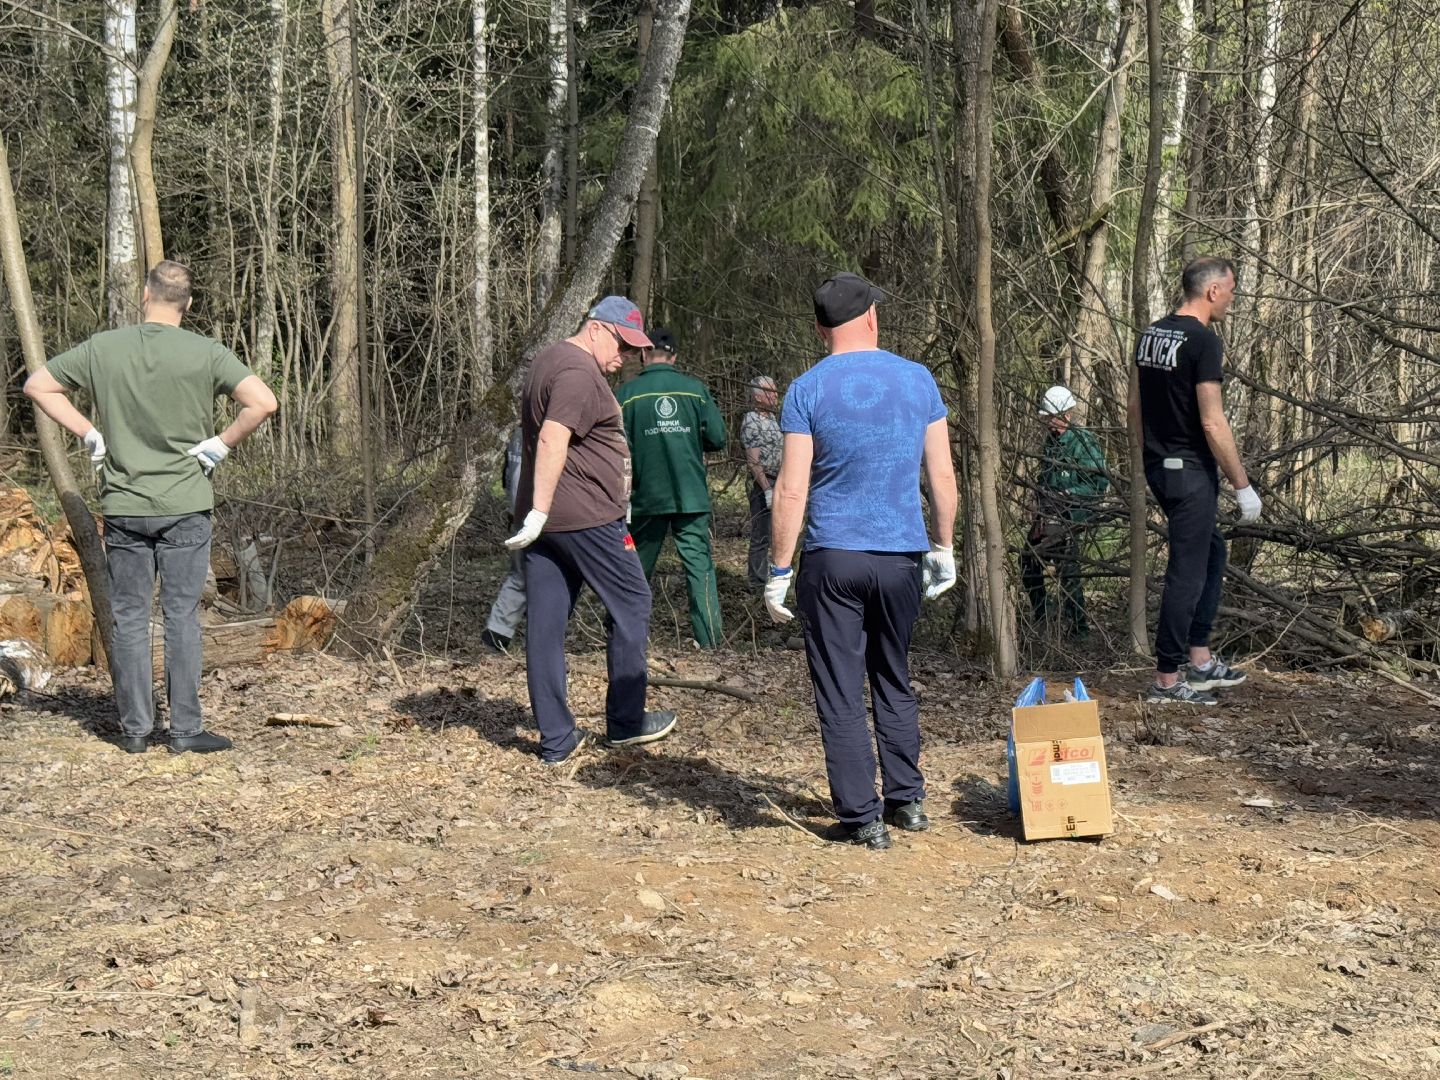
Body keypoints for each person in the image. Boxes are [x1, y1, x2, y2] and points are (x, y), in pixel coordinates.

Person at [23, 260, 278, 754]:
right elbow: (263, 402)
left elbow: (38, 386)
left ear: (145, 295)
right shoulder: (206, 352)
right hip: (185, 504)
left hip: (124, 505)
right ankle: (184, 731)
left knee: (131, 617)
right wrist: (222, 443)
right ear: (189, 304)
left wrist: (89, 432)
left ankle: (135, 730)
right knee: (182, 617)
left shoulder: (104, 348)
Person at [764, 272, 958, 851]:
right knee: (893, 675)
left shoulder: (806, 389)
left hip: (832, 558)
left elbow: (791, 490)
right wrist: (943, 547)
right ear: (872, 316)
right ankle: (907, 800)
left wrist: (779, 569)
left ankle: (862, 817)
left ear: (821, 328)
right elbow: (942, 477)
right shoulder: (917, 380)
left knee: (841, 688)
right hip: (900, 555)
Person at [504, 295, 677, 763]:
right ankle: (626, 722)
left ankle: (557, 740)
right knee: (633, 602)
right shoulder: (579, 373)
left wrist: (537, 516)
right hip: (586, 518)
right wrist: (539, 509)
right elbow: (552, 436)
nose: (626, 357)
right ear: (597, 328)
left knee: (545, 624)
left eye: (635, 348)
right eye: (622, 343)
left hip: (550, 523)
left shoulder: (549, 359)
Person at [1130, 255, 1261, 705]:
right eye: (1230, 290)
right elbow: (1213, 422)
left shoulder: (1152, 334)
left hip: (1160, 467)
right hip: (1189, 471)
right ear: (1212, 291)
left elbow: (1135, 406)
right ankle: (1168, 679)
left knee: (1211, 550)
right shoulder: (1203, 341)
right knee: (1186, 571)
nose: (1232, 298)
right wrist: (1242, 484)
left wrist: (1149, 457)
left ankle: (1201, 661)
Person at [615, 328, 727, 647]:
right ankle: (710, 642)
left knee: (635, 570)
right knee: (699, 568)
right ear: (674, 357)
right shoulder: (695, 391)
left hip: (646, 496)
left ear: (644, 354)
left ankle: (625, 638)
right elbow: (717, 438)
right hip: (690, 495)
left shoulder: (627, 394)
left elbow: (615, 444)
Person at [1019, 385, 1108, 640]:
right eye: (1047, 418)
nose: (1050, 424)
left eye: (1054, 418)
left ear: (1067, 415)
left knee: (1069, 571)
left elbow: (1097, 484)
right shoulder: (1050, 443)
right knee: (1027, 559)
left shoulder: (1083, 442)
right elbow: (1044, 478)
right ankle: (1043, 615)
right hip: (1048, 514)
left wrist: (1068, 496)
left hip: (1073, 516)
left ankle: (1080, 630)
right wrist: (1037, 500)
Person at [481, 425, 526, 654]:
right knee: (536, 578)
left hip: (519, 512)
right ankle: (497, 637)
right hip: (538, 514)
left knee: (519, 577)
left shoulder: (517, 430)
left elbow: (508, 476)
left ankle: (495, 635)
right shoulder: (547, 426)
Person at [740, 375, 783, 588]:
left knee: (778, 533)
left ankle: (775, 576)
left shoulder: (773, 419)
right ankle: (757, 583)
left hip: (779, 480)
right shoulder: (752, 420)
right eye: (769, 391)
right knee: (761, 534)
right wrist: (766, 489)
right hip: (762, 484)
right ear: (757, 396)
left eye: (774, 390)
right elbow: (753, 460)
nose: (774, 395)